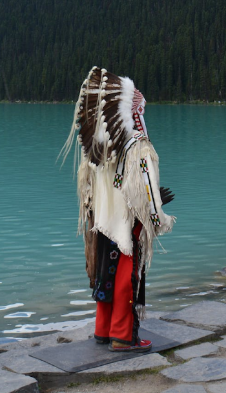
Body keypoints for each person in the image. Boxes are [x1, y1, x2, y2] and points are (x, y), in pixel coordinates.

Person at [62, 68, 176, 352]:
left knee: (105, 275)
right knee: (127, 278)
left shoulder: (100, 148)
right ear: (133, 112)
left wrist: (96, 215)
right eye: (141, 110)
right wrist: (160, 216)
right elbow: (146, 191)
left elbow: (89, 189)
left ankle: (104, 330)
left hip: (103, 225)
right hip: (128, 227)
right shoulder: (138, 148)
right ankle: (124, 337)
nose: (142, 116)